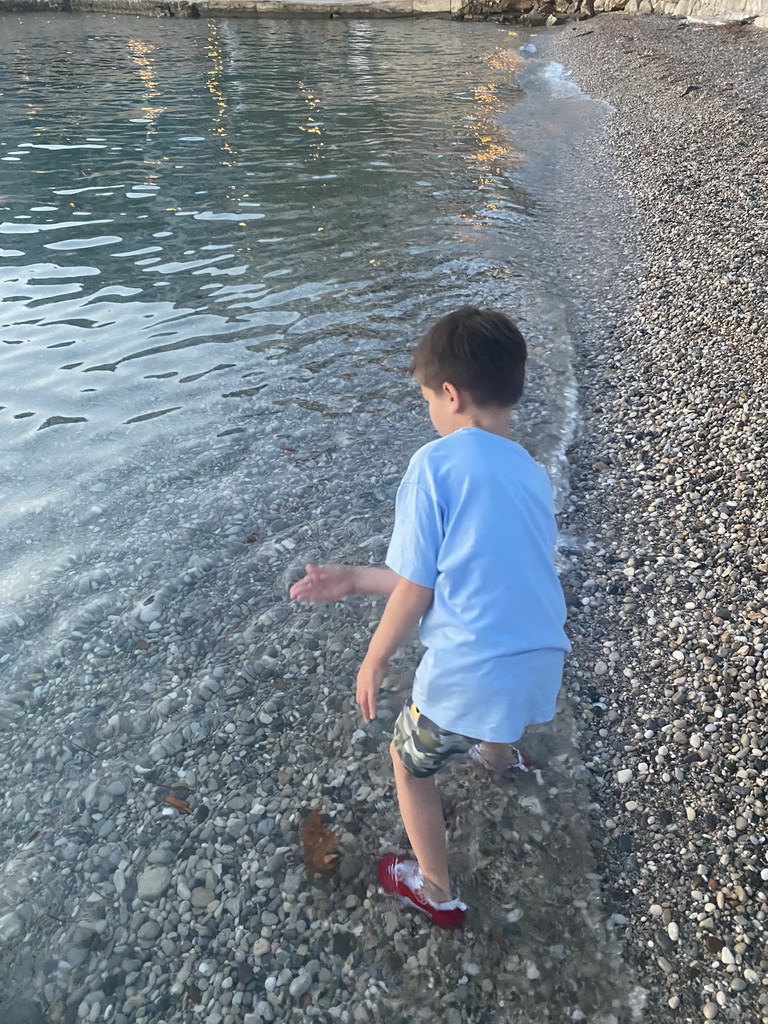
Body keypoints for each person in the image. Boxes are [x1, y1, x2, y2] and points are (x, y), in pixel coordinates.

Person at [289, 306, 570, 929]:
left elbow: (419, 588)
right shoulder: (529, 472)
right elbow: (468, 577)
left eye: (427, 399)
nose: (430, 414)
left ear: (450, 395)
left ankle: (437, 889)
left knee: (408, 762)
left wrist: (375, 657)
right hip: (542, 658)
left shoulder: (435, 464)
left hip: (472, 673)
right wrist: (357, 579)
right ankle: (502, 760)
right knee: (496, 691)